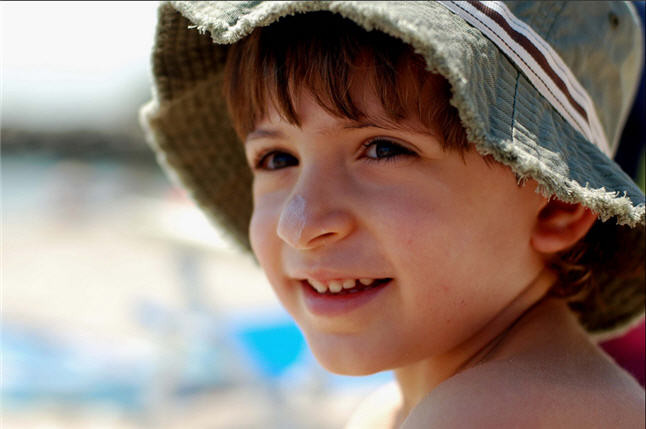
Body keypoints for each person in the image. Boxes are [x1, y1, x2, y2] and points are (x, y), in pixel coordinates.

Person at [140, 1, 645, 427]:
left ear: (557, 204)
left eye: (383, 149)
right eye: (277, 159)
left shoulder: (496, 413)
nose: (300, 225)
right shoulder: (407, 407)